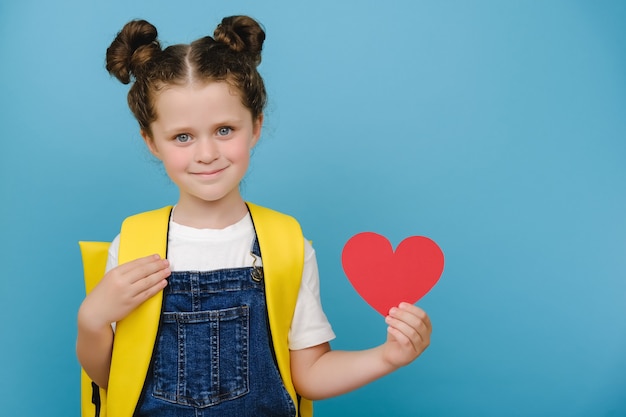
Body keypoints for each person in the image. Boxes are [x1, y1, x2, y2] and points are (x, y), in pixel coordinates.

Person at [76, 15, 432, 417]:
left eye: (225, 130)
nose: (207, 153)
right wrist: (92, 318)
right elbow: (113, 379)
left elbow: (308, 374)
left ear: (256, 126)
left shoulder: (285, 243)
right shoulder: (133, 242)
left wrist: (387, 356)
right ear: (151, 141)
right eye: (183, 136)